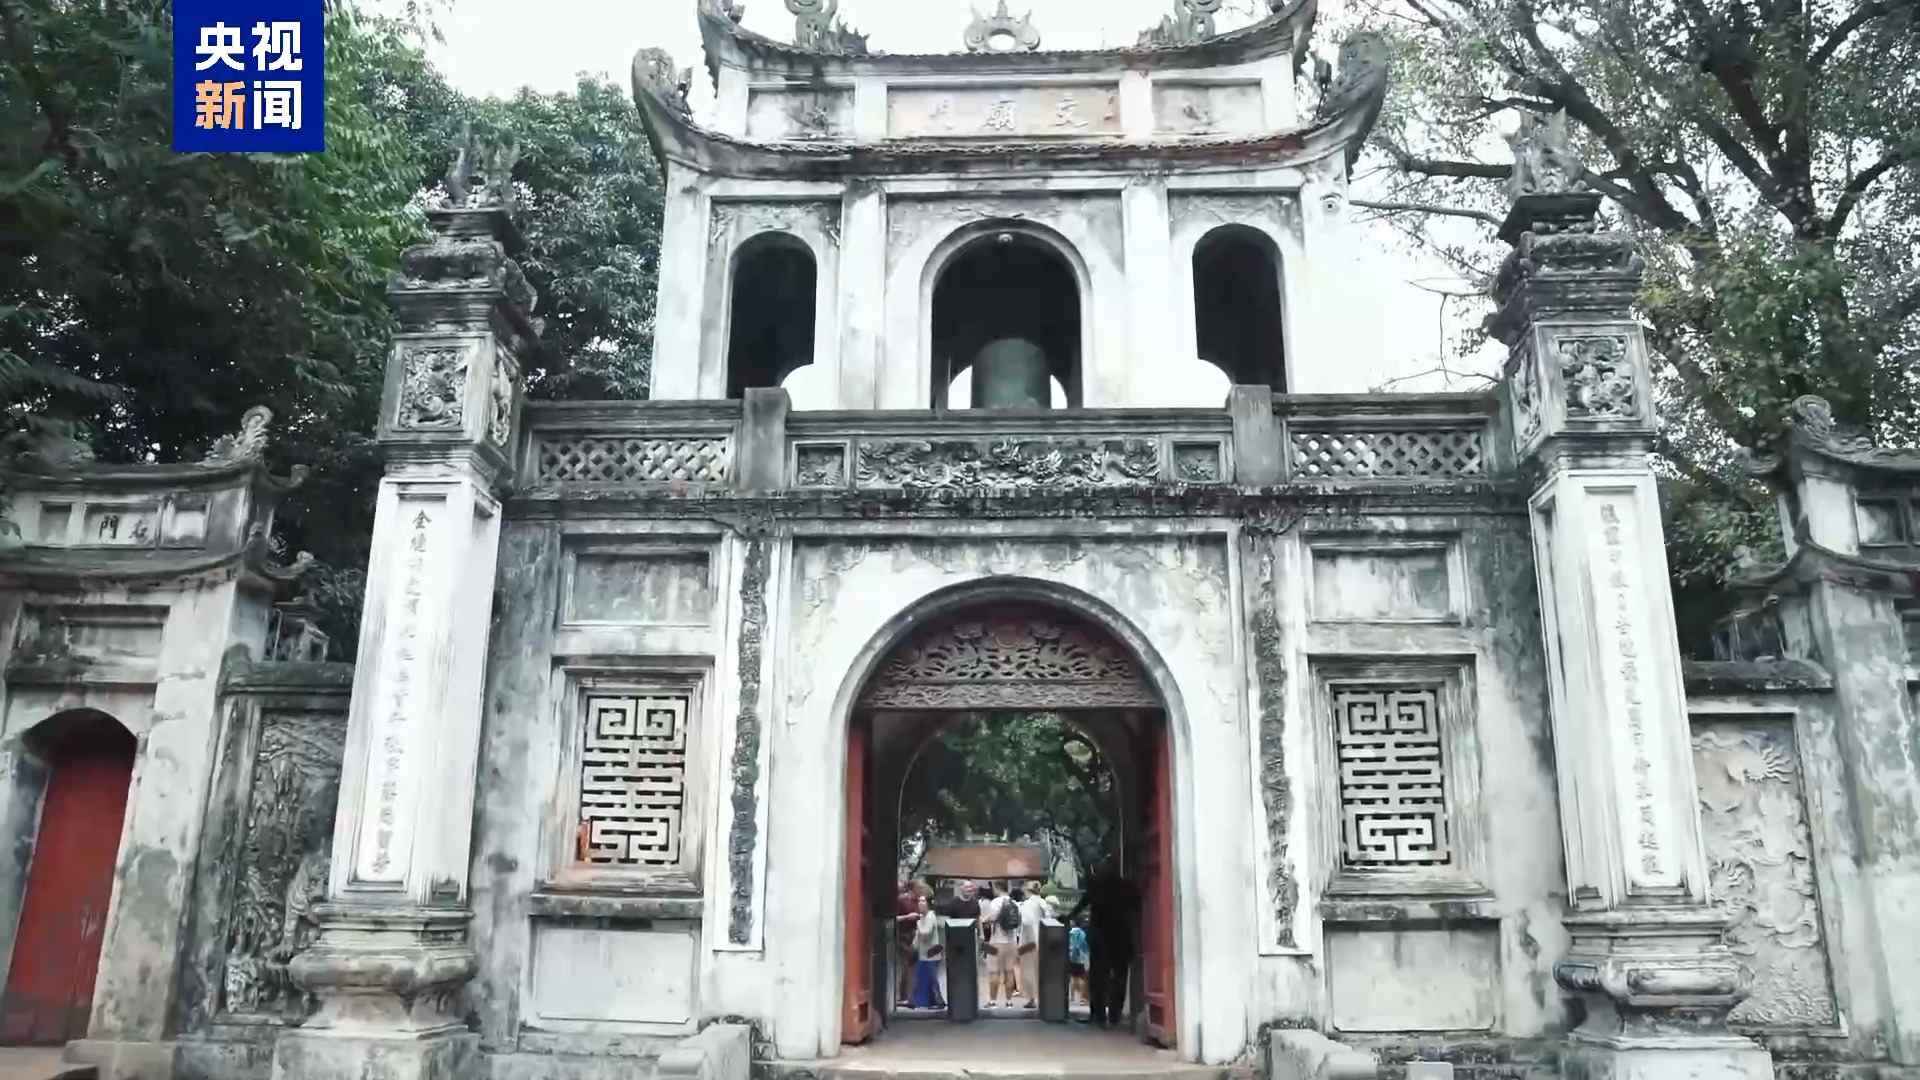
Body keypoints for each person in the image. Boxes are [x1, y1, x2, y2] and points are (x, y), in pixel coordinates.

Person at [1066, 859, 1139, 1029]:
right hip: (1121, 937)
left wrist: (1068, 917)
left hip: (1101, 938)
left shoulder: (1096, 886)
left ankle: (1098, 1015)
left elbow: (1082, 904)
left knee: (1099, 977)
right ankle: (1114, 1015)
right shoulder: (1126, 886)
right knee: (1119, 977)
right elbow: (1137, 907)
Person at [978, 882, 1022, 1007]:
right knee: (1009, 972)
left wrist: (983, 919)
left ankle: (993, 1001)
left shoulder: (995, 902)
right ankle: (1009, 1002)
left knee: (994, 972)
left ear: (996, 887)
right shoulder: (1014, 903)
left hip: (996, 941)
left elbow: (990, 918)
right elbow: (1018, 922)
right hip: (1012, 941)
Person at [908, 895, 946, 1009]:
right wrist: (914, 946)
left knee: (932, 978)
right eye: (919, 901)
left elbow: (925, 934)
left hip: (931, 954)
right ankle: (921, 1001)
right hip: (924, 953)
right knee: (922, 977)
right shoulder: (922, 917)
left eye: (923, 901)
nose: (920, 904)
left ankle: (939, 1001)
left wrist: (918, 923)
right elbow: (918, 936)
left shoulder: (930, 916)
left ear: (928, 904)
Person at [1016, 880, 1049, 1009]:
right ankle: (1045, 997)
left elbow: (1026, 921)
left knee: (1029, 971)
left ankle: (1031, 998)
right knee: (1042, 970)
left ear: (1027, 890)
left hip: (1029, 942)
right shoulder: (1043, 902)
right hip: (1043, 940)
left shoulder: (1027, 904)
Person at [1067, 922, 1089, 1007]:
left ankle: (1072, 997)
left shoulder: (1070, 933)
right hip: (1081, 959)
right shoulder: (1082, 933)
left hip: (1072, 958)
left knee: (1073, 978)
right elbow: (1085, 947)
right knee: (1082, 978)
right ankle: (1082, 999)